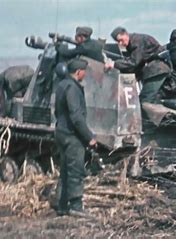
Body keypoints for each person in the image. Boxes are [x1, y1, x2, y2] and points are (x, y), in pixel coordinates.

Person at [54, 59, 97, 216]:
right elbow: (76, 116)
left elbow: (57, 111)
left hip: (61, 132)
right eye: (83, 71)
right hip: (72, 136)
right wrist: (89, 137)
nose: (85, 74)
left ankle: (62, 205)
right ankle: (76, 206)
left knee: (65, 170)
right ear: (78, 71)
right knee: (75, 170)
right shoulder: (72, 88)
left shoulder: (61, 85)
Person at [104, 26, 170, 102]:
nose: (120, 43)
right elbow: (139, 63)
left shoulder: (137, 41)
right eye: (118, 42)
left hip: (157, 69)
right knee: (152, 98)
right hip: (155, 69)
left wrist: (114, 64)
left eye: (121, 40)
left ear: (125, 34)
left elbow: (134, 62)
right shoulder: (132, 43)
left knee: (145, 99)